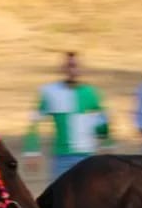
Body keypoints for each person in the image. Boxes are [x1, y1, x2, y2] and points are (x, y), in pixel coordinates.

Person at [24, 51, 111, 181]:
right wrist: (32, 152)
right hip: (61, 158)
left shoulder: (92, 93)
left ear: (82, 69)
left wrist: (107, 145)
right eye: (69, 66)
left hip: (87, 157)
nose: (72, 70)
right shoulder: (50, 92)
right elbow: (34, 122)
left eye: (76, 66)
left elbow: (103, 123)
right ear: (62, 68)